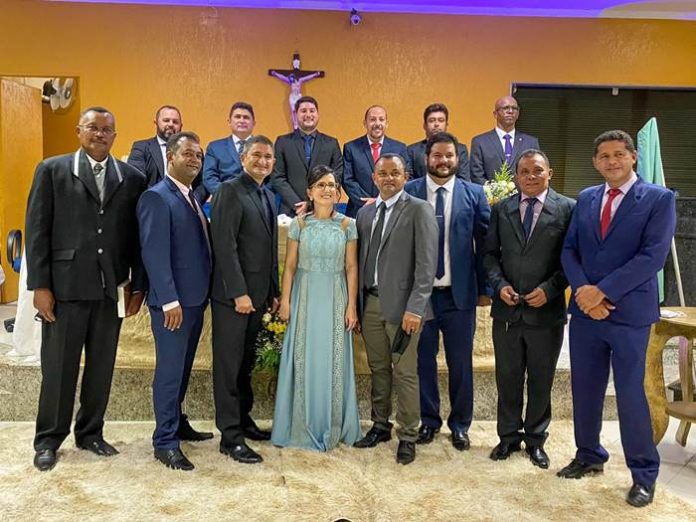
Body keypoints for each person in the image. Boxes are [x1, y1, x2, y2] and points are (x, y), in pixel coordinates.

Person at [558, 130, 676, 507]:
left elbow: (652, 256)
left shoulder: (659, 198)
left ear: (632, 157)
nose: (612, 161)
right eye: (604, 156)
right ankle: (589, 455)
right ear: (595, 162)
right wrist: (583, 291)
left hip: (629, 314)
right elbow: (569, 250)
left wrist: (603, 292)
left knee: (630, 395)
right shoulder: (586, 198)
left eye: (619, 154)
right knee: (585, 389)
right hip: (586, 313)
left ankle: (643, 474)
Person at [26, 106, 147, 471]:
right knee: (59, 368)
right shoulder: (52, 170)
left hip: (110, 289)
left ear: (115, 135)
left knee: (101, 367)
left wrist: (138, 286)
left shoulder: (132, 177)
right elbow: (37, 231)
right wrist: (40, 285)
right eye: (92, 127)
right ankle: (49, 439)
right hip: (65, 287)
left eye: (107, 129)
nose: (99, 134)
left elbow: (137, 238)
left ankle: (91, 432)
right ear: (79, 131)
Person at [483, 149, 575, 469]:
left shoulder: (567, 209)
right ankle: (508, 437)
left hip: (546, 313)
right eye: (524, 171)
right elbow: (489, 255)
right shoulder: (502, 209)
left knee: (540, 379)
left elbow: (572, 258)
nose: (531, 176)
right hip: (507, 311)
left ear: (550, 173)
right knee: (507, 378)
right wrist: (499, 285)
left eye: (537, 170)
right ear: (516, 177)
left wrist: (550, 290)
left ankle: (536, 439)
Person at [404, 132, 491, 451]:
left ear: (458, 159)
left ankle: (460, 425)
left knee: (461, 363)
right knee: (423, 362)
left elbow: (485, 245)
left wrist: (485, 288)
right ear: (427, 158)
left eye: (449, 155)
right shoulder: (409, 192)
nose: (443, 161)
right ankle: (429, 421)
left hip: (460, 295)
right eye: (437, 155)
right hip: (421, 297)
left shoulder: (474, 194)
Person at [354, 153, 438, 465]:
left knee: (405, 372)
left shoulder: (419, 209)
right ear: (374, 178)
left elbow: (426, 266)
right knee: (378, 368)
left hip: (404, 309)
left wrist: (416, 308)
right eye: (383, 173)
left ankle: (408, 434)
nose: (389, 178)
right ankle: (380, 425)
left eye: (395, 173)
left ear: (405, 177)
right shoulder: (365, 213)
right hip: (370, 304)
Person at [137, 132, 213, 471]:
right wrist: (169, 300)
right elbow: (154, 253)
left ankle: (177, 422)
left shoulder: (192, 195)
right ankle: (165, 441)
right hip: (174, 305)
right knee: (169, 372)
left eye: (199, 155)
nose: (195, 159)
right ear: (170, 156)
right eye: (188, 154)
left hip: (195, 299)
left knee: (182, 369)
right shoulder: (157, 197)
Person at [271, 165, 362, 451]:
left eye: (331, 185)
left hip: (335, 296)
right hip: (305, 296)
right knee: (304, 357)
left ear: (338, 192)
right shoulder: (299, 225)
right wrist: (286, 301)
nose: (327, 189)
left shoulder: (348, 225)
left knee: (332, 358)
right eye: (320, 185)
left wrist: (351, 306)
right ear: (309, 192)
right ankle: (300, 424)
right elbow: (290, 267)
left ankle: (333, 422)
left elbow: (351, 267)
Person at [210, 135, 280, 464]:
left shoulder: (267, 195)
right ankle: (230, 436)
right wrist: (238, 292)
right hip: (234, 299)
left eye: (268, 157)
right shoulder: (229, 190)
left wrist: (273, 291)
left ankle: (243, 419)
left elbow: (269, 250)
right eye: (257, 155)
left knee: (245, 364)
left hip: (258, 297)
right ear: (243, 158)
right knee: (228, 366)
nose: (263, 161)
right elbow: (224, 246)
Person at [270, 96, 343, 216]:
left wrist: (313, 203)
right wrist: (297, 204)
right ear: (295, 115)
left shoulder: (331, 143)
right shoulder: (282, 142)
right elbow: (277, 177)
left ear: (318, 114)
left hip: (323, 209)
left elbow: (337, 175)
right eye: (303, 111)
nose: (308, 115)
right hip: (291, 210)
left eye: (312, 111)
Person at [128, 105, 207, 202]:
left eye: (175, 122)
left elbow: (203, 182)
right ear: (156, 123)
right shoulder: (141, 148)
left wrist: (192, 201)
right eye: (166, 120)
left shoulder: (195, 151)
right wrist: (157, 199)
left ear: (181, 126)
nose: (170, 124)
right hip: (153, 203)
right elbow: (135, 180)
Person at [342, 105, 410, 217]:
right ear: (365, 123)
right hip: (359, 210)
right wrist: (368, 202)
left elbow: (407, 178)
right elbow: (347, 180)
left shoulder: (399, 148)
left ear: (386, 123)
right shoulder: (351, 148)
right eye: (372, 119)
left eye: (381, 119)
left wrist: (386, 200)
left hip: (392, 210)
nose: (377, 123)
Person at [469, 96, 539, 185]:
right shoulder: (480, 142)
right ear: (495, 114)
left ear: (518, 114)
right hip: (490, 193)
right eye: (506, 108)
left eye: (514, 108)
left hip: (523, 193)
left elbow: (536, 171)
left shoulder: (530, 142)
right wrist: (495, 191)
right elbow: (476, 175)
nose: (510, 111)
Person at [407, 103, 471, 181]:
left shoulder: (460, 149)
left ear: (446, 125)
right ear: (425, 125)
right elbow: (409, 181)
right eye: (432, 120)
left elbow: (463, 179)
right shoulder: (412, 151)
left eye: (441, 120)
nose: (436, 124)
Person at [203, 102, 256, 195]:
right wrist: (227, 195)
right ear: (229, 122)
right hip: (225, 199)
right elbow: (209, 178)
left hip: (257, 199)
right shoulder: (215, 147)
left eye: (246, 117)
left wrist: (259, 195)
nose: (242, 120)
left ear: (253, 123)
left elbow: (271, 179)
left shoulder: (263, 148)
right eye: (237, 117)